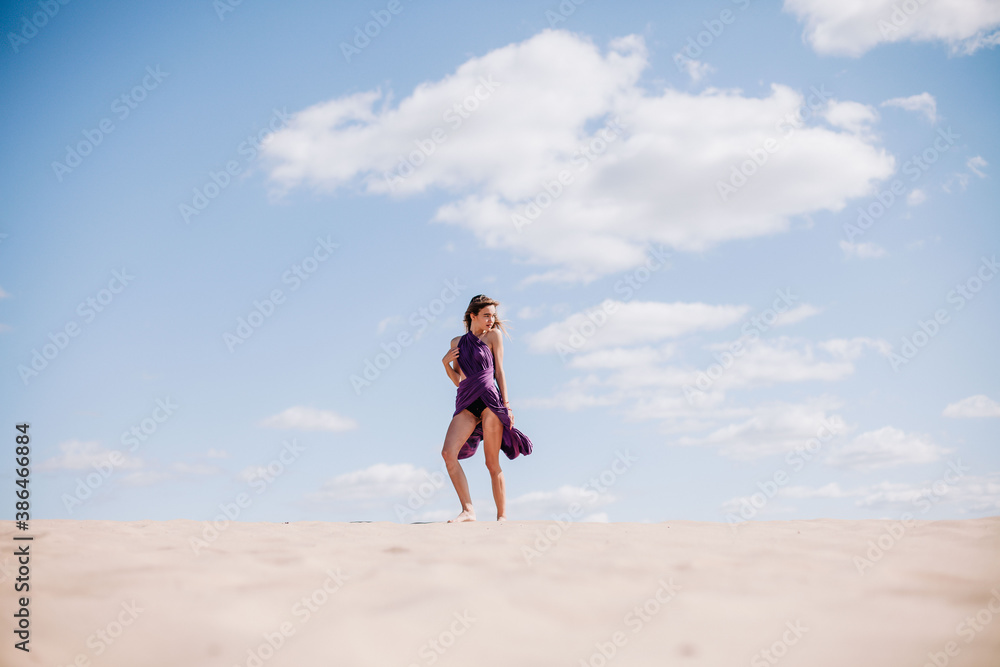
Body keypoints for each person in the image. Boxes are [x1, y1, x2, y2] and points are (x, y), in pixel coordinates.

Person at [441, 295, 533, 522]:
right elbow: (458, 380)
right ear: (473, 315)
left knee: (491, 462)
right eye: (486, 315)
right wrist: (445, 363)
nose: (491, 320)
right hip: (466, 400)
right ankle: (468, 510)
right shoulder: (456, 343)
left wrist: (507, 405)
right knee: (447, 453)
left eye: (493, 316)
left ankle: (502, 516)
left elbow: (499, 371)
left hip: (490, 401)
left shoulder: (494, 336)